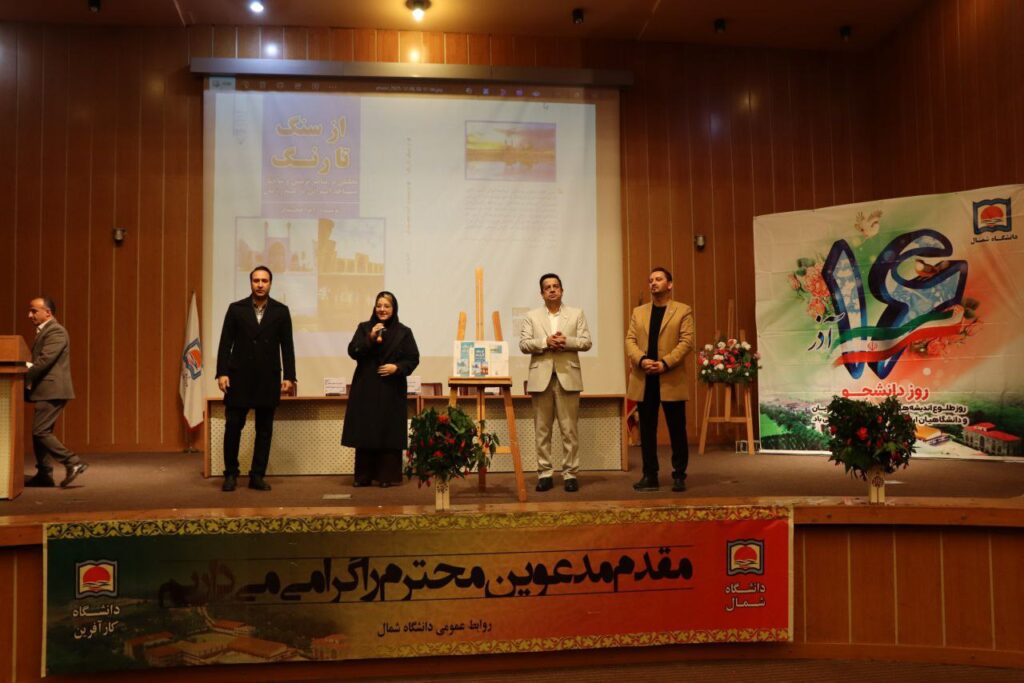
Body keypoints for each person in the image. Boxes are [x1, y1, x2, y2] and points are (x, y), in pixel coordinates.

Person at [215, 266, 296, 492]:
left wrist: (290, 376)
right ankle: (231, 474)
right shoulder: (236, 309)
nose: (260, 284)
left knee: (264, 430)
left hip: (268, 377)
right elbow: (225, 343)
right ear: (250, 282)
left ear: (271, 283)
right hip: (238, 377)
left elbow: (287, 346)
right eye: (256, 280)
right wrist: (222, 372)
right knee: (233, 426)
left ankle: (257, 475)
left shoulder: (281, 311)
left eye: (264, 281)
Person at [519, 273, 592, 492]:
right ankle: (545, 473)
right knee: (542, 431)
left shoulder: (576, 314)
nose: (552, 290)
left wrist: (565, 341)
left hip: (567, 377)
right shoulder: (531, 316)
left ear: (562, 290)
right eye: (547, 287)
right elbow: (524, 344)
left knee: (569, 430)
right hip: (540, 379)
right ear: (542, 293)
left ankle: (570, 474)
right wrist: (545, 341)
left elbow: (586, 342)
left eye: (556, 286)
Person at [625, 267, 694, 492]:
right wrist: (641, 359)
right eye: (650, 280)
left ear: (669, 284)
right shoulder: (639, 312)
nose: (653, 283)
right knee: (647, 430)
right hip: (644, 378)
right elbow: (630, 341)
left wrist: (665, 362)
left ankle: (679, 475)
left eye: (659, 279)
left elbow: (687, 342)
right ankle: (650, 475)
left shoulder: (682, 310)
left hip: (670, 376)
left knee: (677, 429)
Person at [341, 291, 420, 488]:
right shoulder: (364, 328)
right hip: (366, 386)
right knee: (366, 430)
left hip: (391, 388)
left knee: (388, 430)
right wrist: (370, 337)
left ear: (394, 309)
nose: (382, 309)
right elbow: (353, 351)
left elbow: (413, 358)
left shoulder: (404, 332)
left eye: (386, 306)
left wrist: (397, 368)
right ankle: (363, 476)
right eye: (379, 305)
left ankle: (387, 476)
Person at [25, 297, 88, 488]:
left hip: (52, 389)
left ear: (48, 313)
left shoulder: (56, 331)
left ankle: (72, 462)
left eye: (34, 311)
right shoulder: (46, 331)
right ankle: (44, 474)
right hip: (46, 389)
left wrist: (23, 372)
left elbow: (45, 361)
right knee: (40, 432)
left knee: (40, 431)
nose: (29, 315)